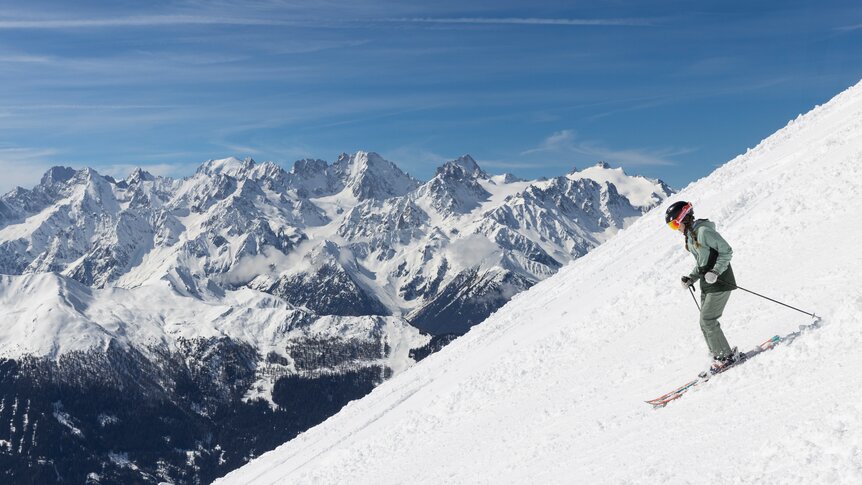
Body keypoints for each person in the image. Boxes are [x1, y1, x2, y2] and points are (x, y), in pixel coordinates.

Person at [665, 201, 741, 374]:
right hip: (707, 283)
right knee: (704, 322)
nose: (675, 229)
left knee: (708, 320)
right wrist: (691, 278)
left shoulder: (704, 232)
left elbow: (726, 251)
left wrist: (716, 271)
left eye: (675, 224)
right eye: (672, 226)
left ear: (684, 218)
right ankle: (718, 356)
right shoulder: (691, 236)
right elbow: (702, 262)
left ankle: (725, 357)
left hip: (720, 281)